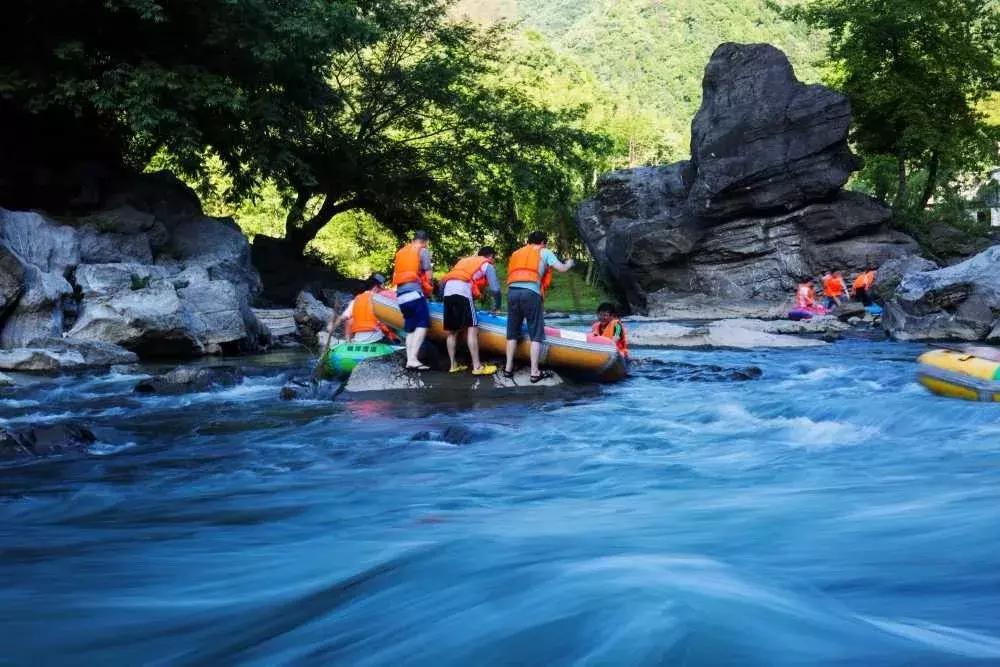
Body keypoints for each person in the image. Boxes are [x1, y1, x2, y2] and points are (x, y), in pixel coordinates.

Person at [503, 230, 575, 383]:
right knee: (536, 333)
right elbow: (562, 268)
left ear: (528, 241)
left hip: (512, 292)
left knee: (512, 332)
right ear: (543, 242)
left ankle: (508, 369)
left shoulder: (516, 253)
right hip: (531, 293)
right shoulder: (545, 251)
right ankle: (534, 372)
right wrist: (569, 263)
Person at [441, 246, 501, 375]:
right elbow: (495, 289)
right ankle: (477, 367)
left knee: (452, 332)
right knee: (472, 328)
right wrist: (497, 307)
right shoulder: (486, 264)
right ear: (490, 256)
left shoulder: (463, 261)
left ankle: (453, 365)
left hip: (447, 291)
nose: (493, 261)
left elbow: (443, 282)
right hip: (462, 291)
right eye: (493, 258)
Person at [392, 230, 433, 371]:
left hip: (401, 295)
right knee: (423, 323)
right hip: (414, 293)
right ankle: (414, 359)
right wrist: (430, 289)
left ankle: (410, 359)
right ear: (424, 241)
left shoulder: (401, 252)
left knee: (410, 328)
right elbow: (428, 273)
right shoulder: (422, 251)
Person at [325, 274, 397, 344]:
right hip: (375, 337)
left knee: (350, 320)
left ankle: (348, 342)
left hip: (359, 338)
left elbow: (342, 318)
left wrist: (332, 327)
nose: (382, 290)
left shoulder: (356, 299)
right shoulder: (380, 299)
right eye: (381, 288)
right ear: (376, 287)